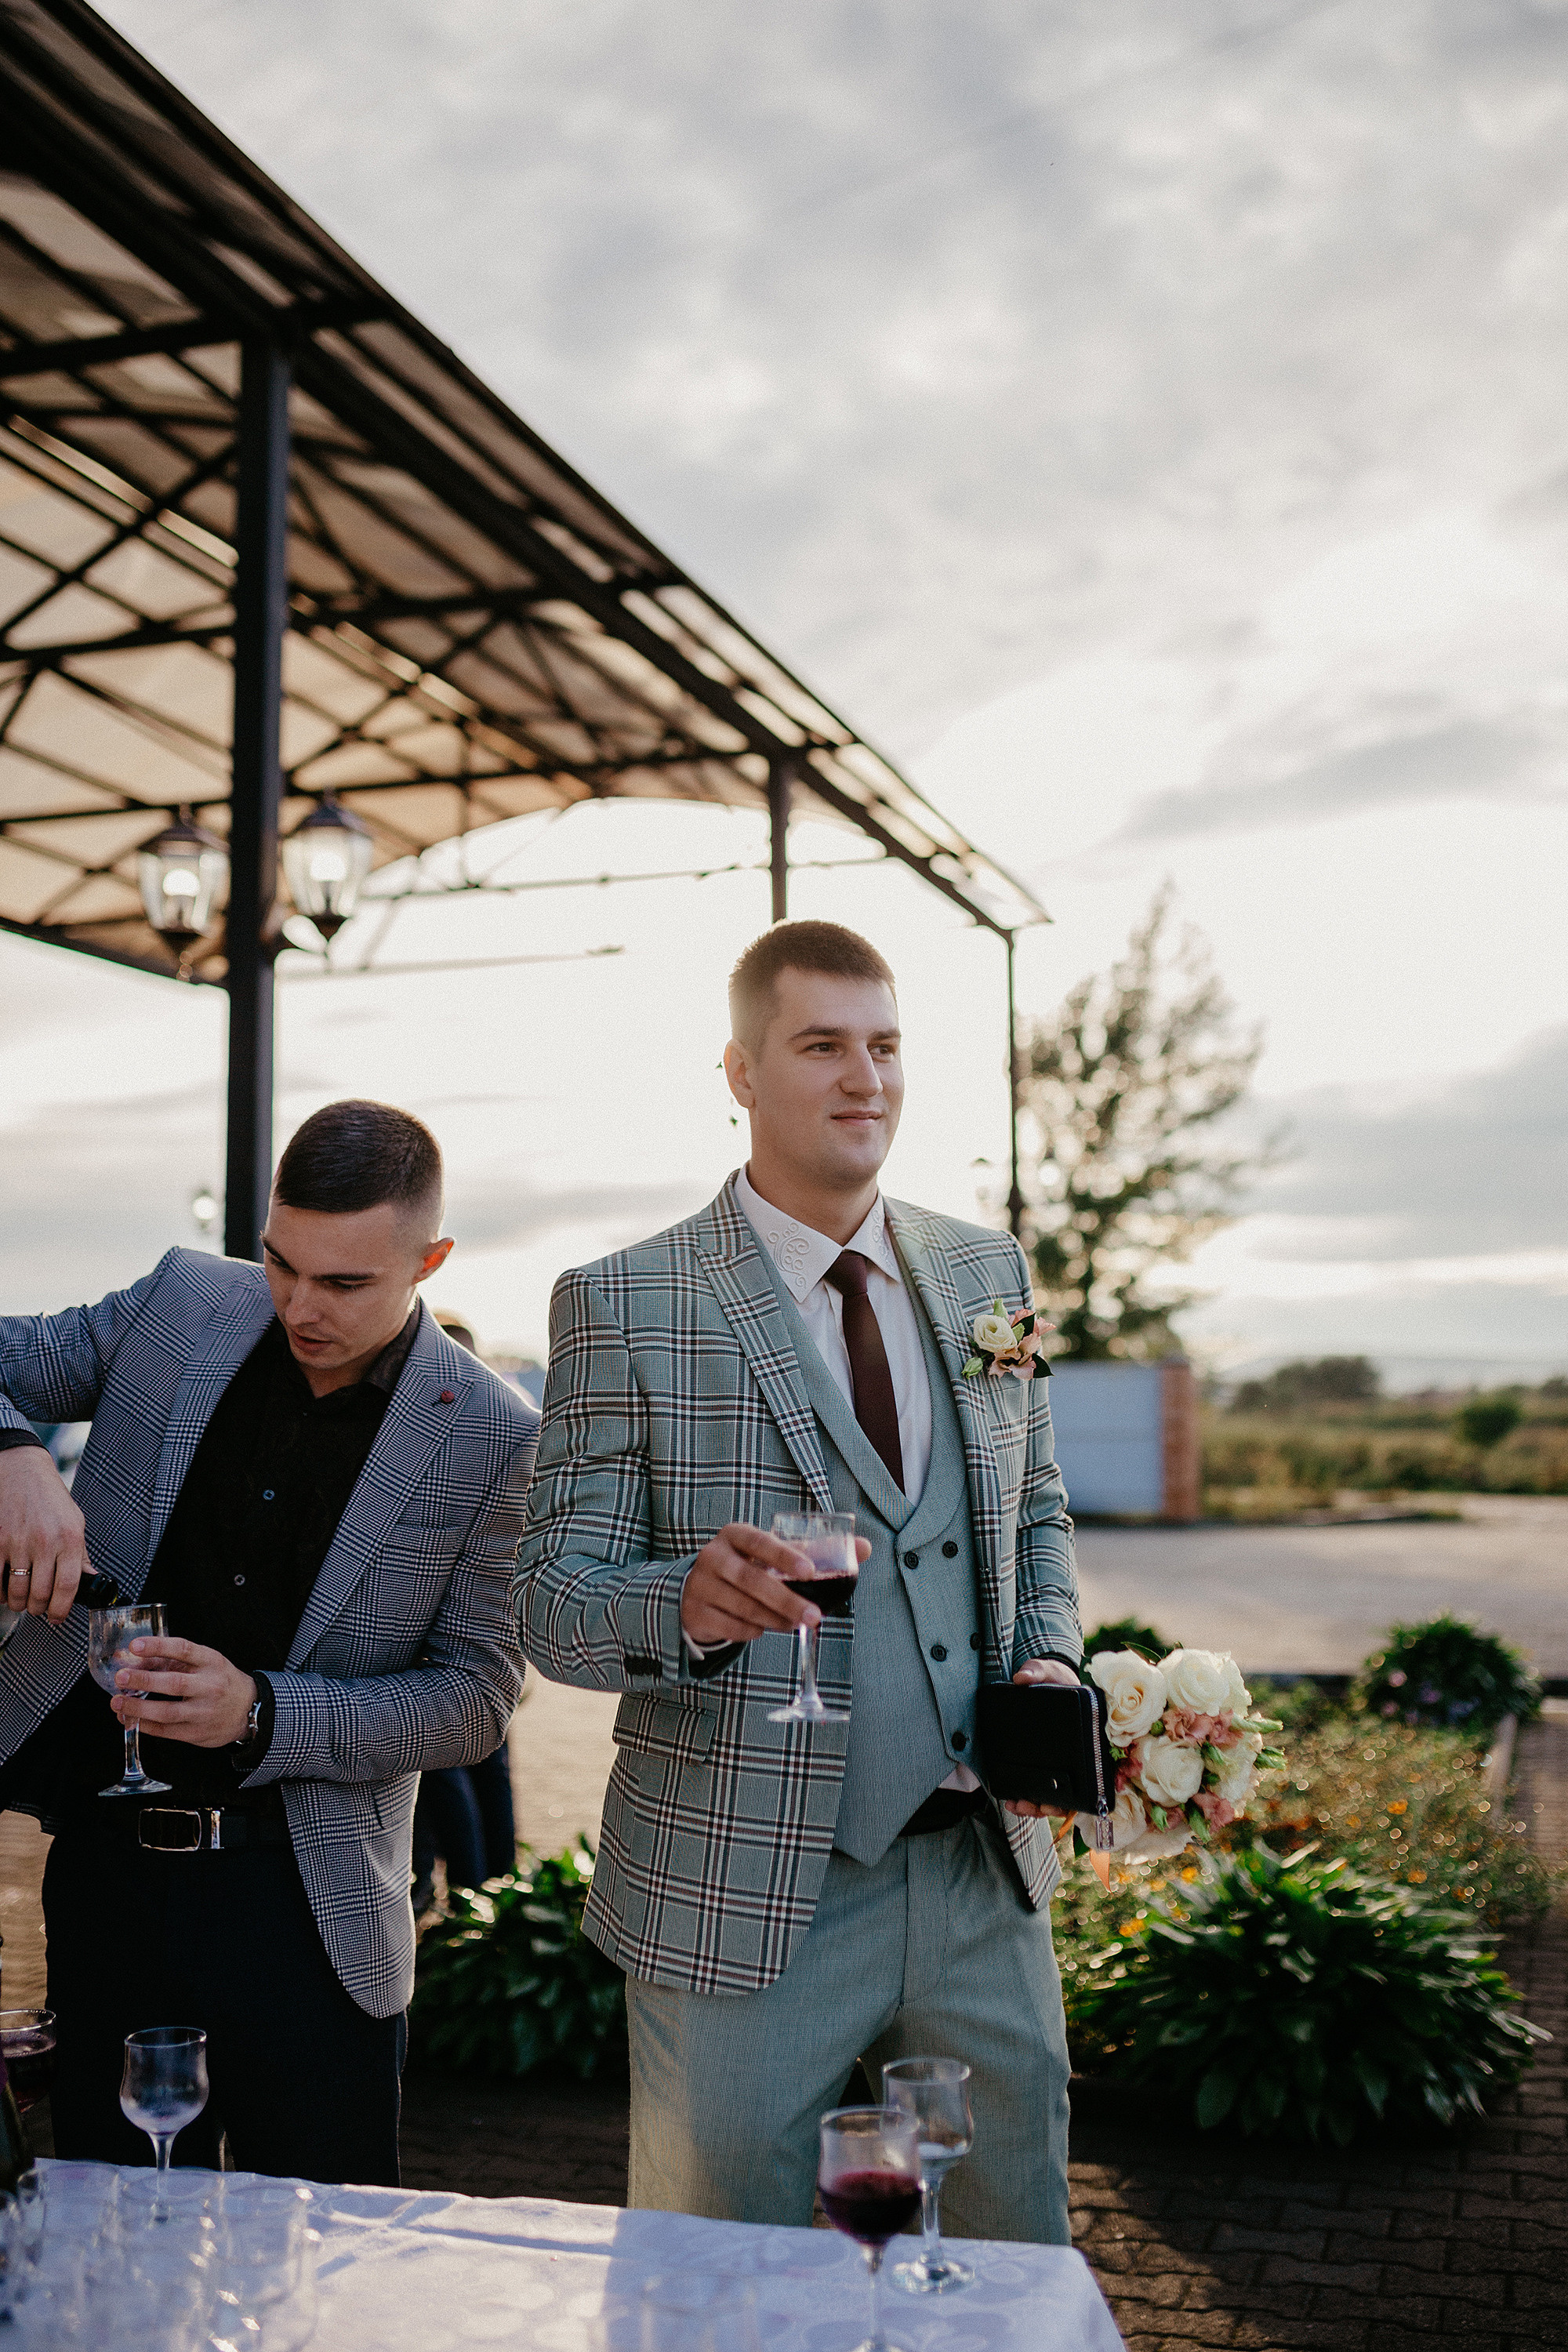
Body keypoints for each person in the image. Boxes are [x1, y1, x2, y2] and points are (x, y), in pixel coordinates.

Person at [515, 920, 1082, 2241]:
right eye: (822, 1045)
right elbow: (550, 1596)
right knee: (718, 2280)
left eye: (884, 1046)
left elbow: (1034, 1511)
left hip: (981, 1884)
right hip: (740, 1893)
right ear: (740, 1072)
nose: (864, 1078)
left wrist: (1048, 1655)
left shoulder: (986, 1272)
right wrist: (684, 1604)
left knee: (1012, 2261)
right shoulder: (624, 1300)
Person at [0, 1100, 536, 2183]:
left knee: (329, 2265)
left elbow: (478, 1697)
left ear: (429, 1259)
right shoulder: (183, 1301)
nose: (298, 1306)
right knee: (120, 2229)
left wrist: (265, 1713)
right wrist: (9, 1451)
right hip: (108, 1880)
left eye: (344, 1284)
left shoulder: (494, 1434)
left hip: (311, 1905)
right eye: (282, 1264)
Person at [408, 1314, 521, 1914]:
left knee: (479, 1777)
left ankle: (484, 1896)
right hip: (434, 1664)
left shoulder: (496, 1442)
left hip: (462, 1660)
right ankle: (483, 1897)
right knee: (462, 1781)